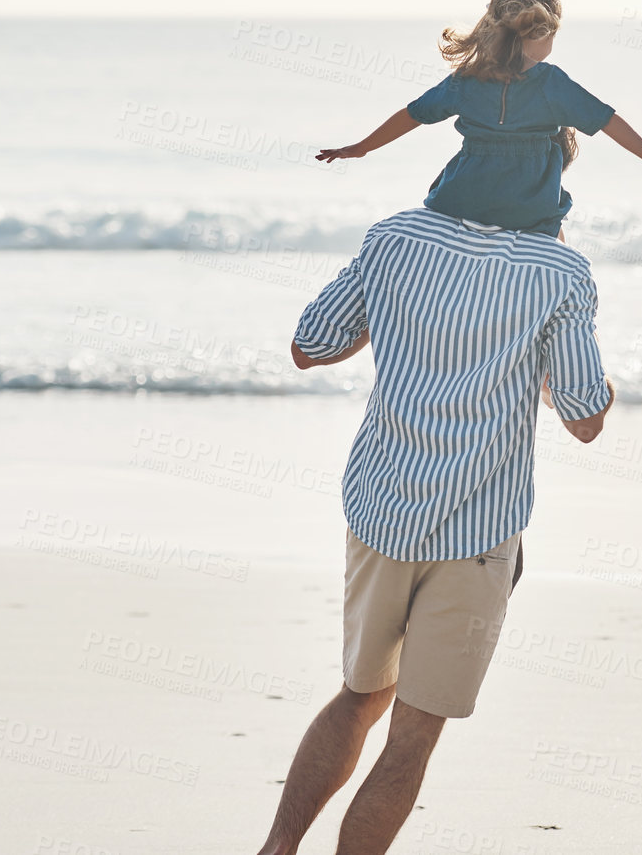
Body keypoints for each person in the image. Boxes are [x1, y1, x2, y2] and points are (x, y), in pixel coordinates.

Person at [255, 206, 614, 855]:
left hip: (380, 509)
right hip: (475, 535)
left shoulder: (397, 237)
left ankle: (276, 850)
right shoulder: (556, 272)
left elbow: (310, 347)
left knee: (359, 697)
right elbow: (584, 416)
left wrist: (409, 319)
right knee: (413, 731)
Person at [315, 0, 642, 239]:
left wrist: (361, 147)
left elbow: (412, 115)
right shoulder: (552, 83)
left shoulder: (465, 80)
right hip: (530, 213)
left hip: (457, 203)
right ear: (546, 31)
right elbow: (608, 122)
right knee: (564, 261)